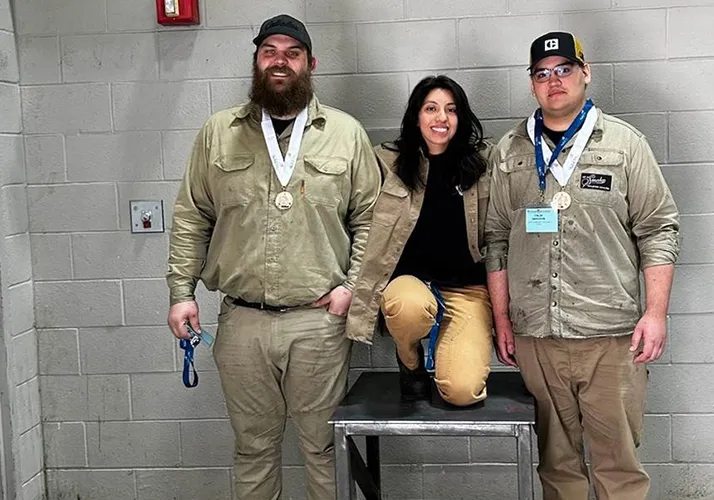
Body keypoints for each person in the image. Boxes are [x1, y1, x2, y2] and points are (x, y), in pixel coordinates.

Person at [165, 14, 381, 500]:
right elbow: (191, 217)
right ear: (257, 61)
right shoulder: (218, 133)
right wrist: (181, 294)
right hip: (242, 323)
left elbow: (371, 219)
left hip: (317, 324)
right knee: (253, 449)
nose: (279, 60)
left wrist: (351, 288)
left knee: (326, 448)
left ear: (310, 64)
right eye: (270, 51)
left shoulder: (345, 133)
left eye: (292, 52)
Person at [485, 32, 680, 499]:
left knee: (618, 467)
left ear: (585, 72)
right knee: (557, 465)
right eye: (542, 73)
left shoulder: (625, 144)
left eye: (564, 69)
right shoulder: (510, 151)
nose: (554, 81)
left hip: (609, 335)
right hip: (537, 335)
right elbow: (495, 239)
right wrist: (502, 318)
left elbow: (659, 229)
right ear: (532, 84)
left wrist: (655, 313)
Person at [347, 75, 494, 407]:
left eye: (451, 110)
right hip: (408, 284)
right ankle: (410, 361)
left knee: (462, 392)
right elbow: (350, 214)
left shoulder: (485, 162)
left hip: (467, 289)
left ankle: (447, 359)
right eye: (431, 108)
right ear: (416, 116)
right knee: (408, 308)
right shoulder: (385, 162)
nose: (441, 118)